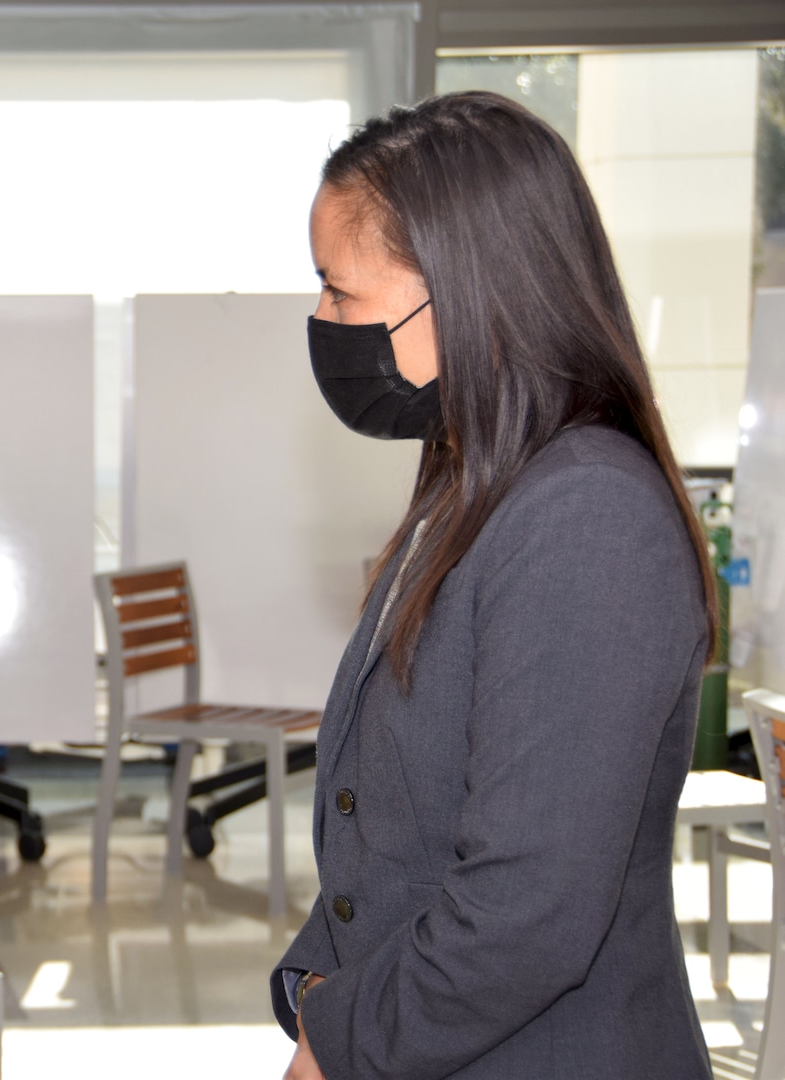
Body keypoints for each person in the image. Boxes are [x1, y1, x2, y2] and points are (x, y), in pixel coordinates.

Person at [273, 91, 716, 1079]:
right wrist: (314, 989)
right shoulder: (473, 482)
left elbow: (528, 906)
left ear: (465, 290)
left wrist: (338, 1047)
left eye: (340, 293)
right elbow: (393, 825)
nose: (320, 320)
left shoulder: (584, 517)